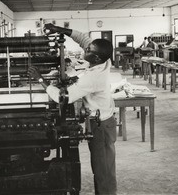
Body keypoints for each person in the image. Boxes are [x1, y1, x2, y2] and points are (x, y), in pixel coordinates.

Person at [28, 23, 117, 195]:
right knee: (100, 166)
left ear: (97, 58)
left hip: (101, 126)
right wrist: (61, 30)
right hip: (102, 121)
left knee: (103, 169)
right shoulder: (103, 59)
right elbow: (83, 39)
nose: (85, 50)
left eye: (89, 51)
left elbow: (62, 98)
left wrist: (40, 79)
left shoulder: (93, 78)